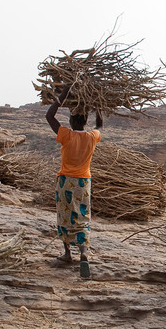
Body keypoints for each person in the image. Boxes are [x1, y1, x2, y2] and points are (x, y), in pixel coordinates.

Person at [45, 85, 102, 278]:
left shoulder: (66, 135)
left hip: (65, 182)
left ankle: (68, 253)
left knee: (64, 215)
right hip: (83, 183)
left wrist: (62, 95)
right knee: (82, 216)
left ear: (70, 120)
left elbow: (49, 116)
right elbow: (100, 126)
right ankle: (84, 253)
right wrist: (99, 105)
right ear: (86, 121)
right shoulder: (92, 137)